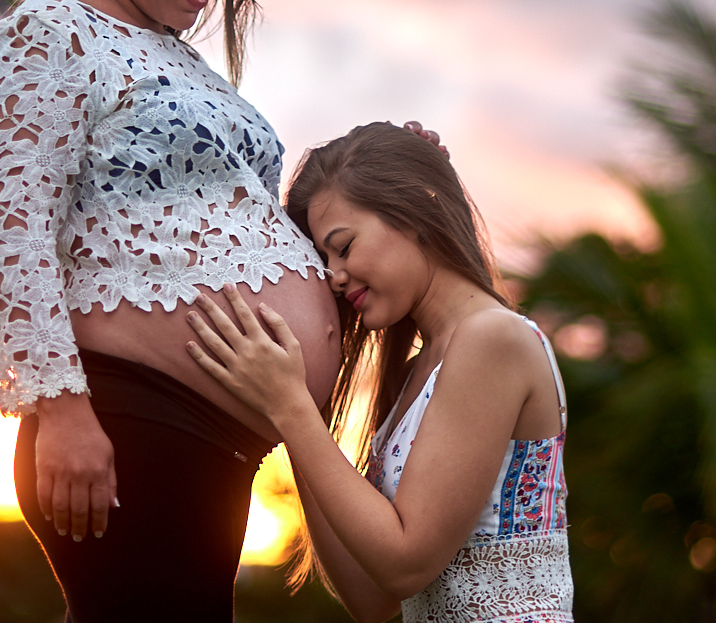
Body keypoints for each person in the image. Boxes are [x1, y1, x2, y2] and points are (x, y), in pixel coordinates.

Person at [0, 0, 440, 619]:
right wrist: (62, 409)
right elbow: (9, 225)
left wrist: (386, 179)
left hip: (215, 443)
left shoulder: (185, 65)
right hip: (125, 418)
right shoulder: (48, 34)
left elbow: (232, 228)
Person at [186, 122, 575, 623]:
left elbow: (405, 565)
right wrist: (293, 410)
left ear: (414, 213)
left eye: (343, 247)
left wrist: (291, 407)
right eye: (325, 258)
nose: (334, 274)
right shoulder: (420, 373)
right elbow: (374, 600)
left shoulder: (491, 339)